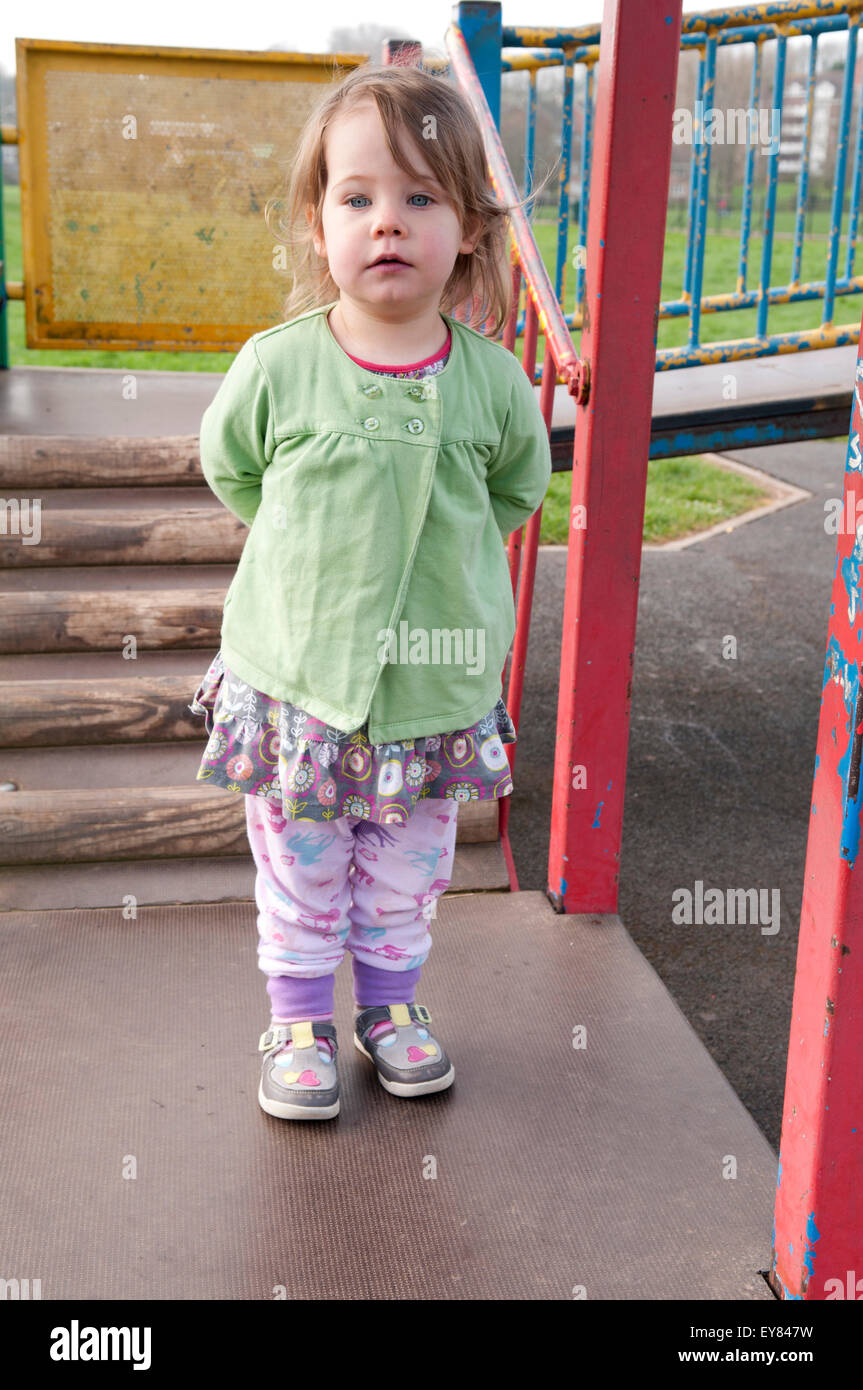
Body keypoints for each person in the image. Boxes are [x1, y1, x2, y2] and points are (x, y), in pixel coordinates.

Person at [189, 61, 552, 1120]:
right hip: (300, 678)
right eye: (357, 198)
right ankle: (298, 1014)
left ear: (470, 229)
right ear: (317, 223)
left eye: (419, 197)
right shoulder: (280, 365)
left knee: (403, 873)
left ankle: (388, 1007)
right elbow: (236, 469)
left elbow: (513, 490)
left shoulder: (490, 380)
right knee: (304, 868)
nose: (385, 223)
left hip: (427, 696)